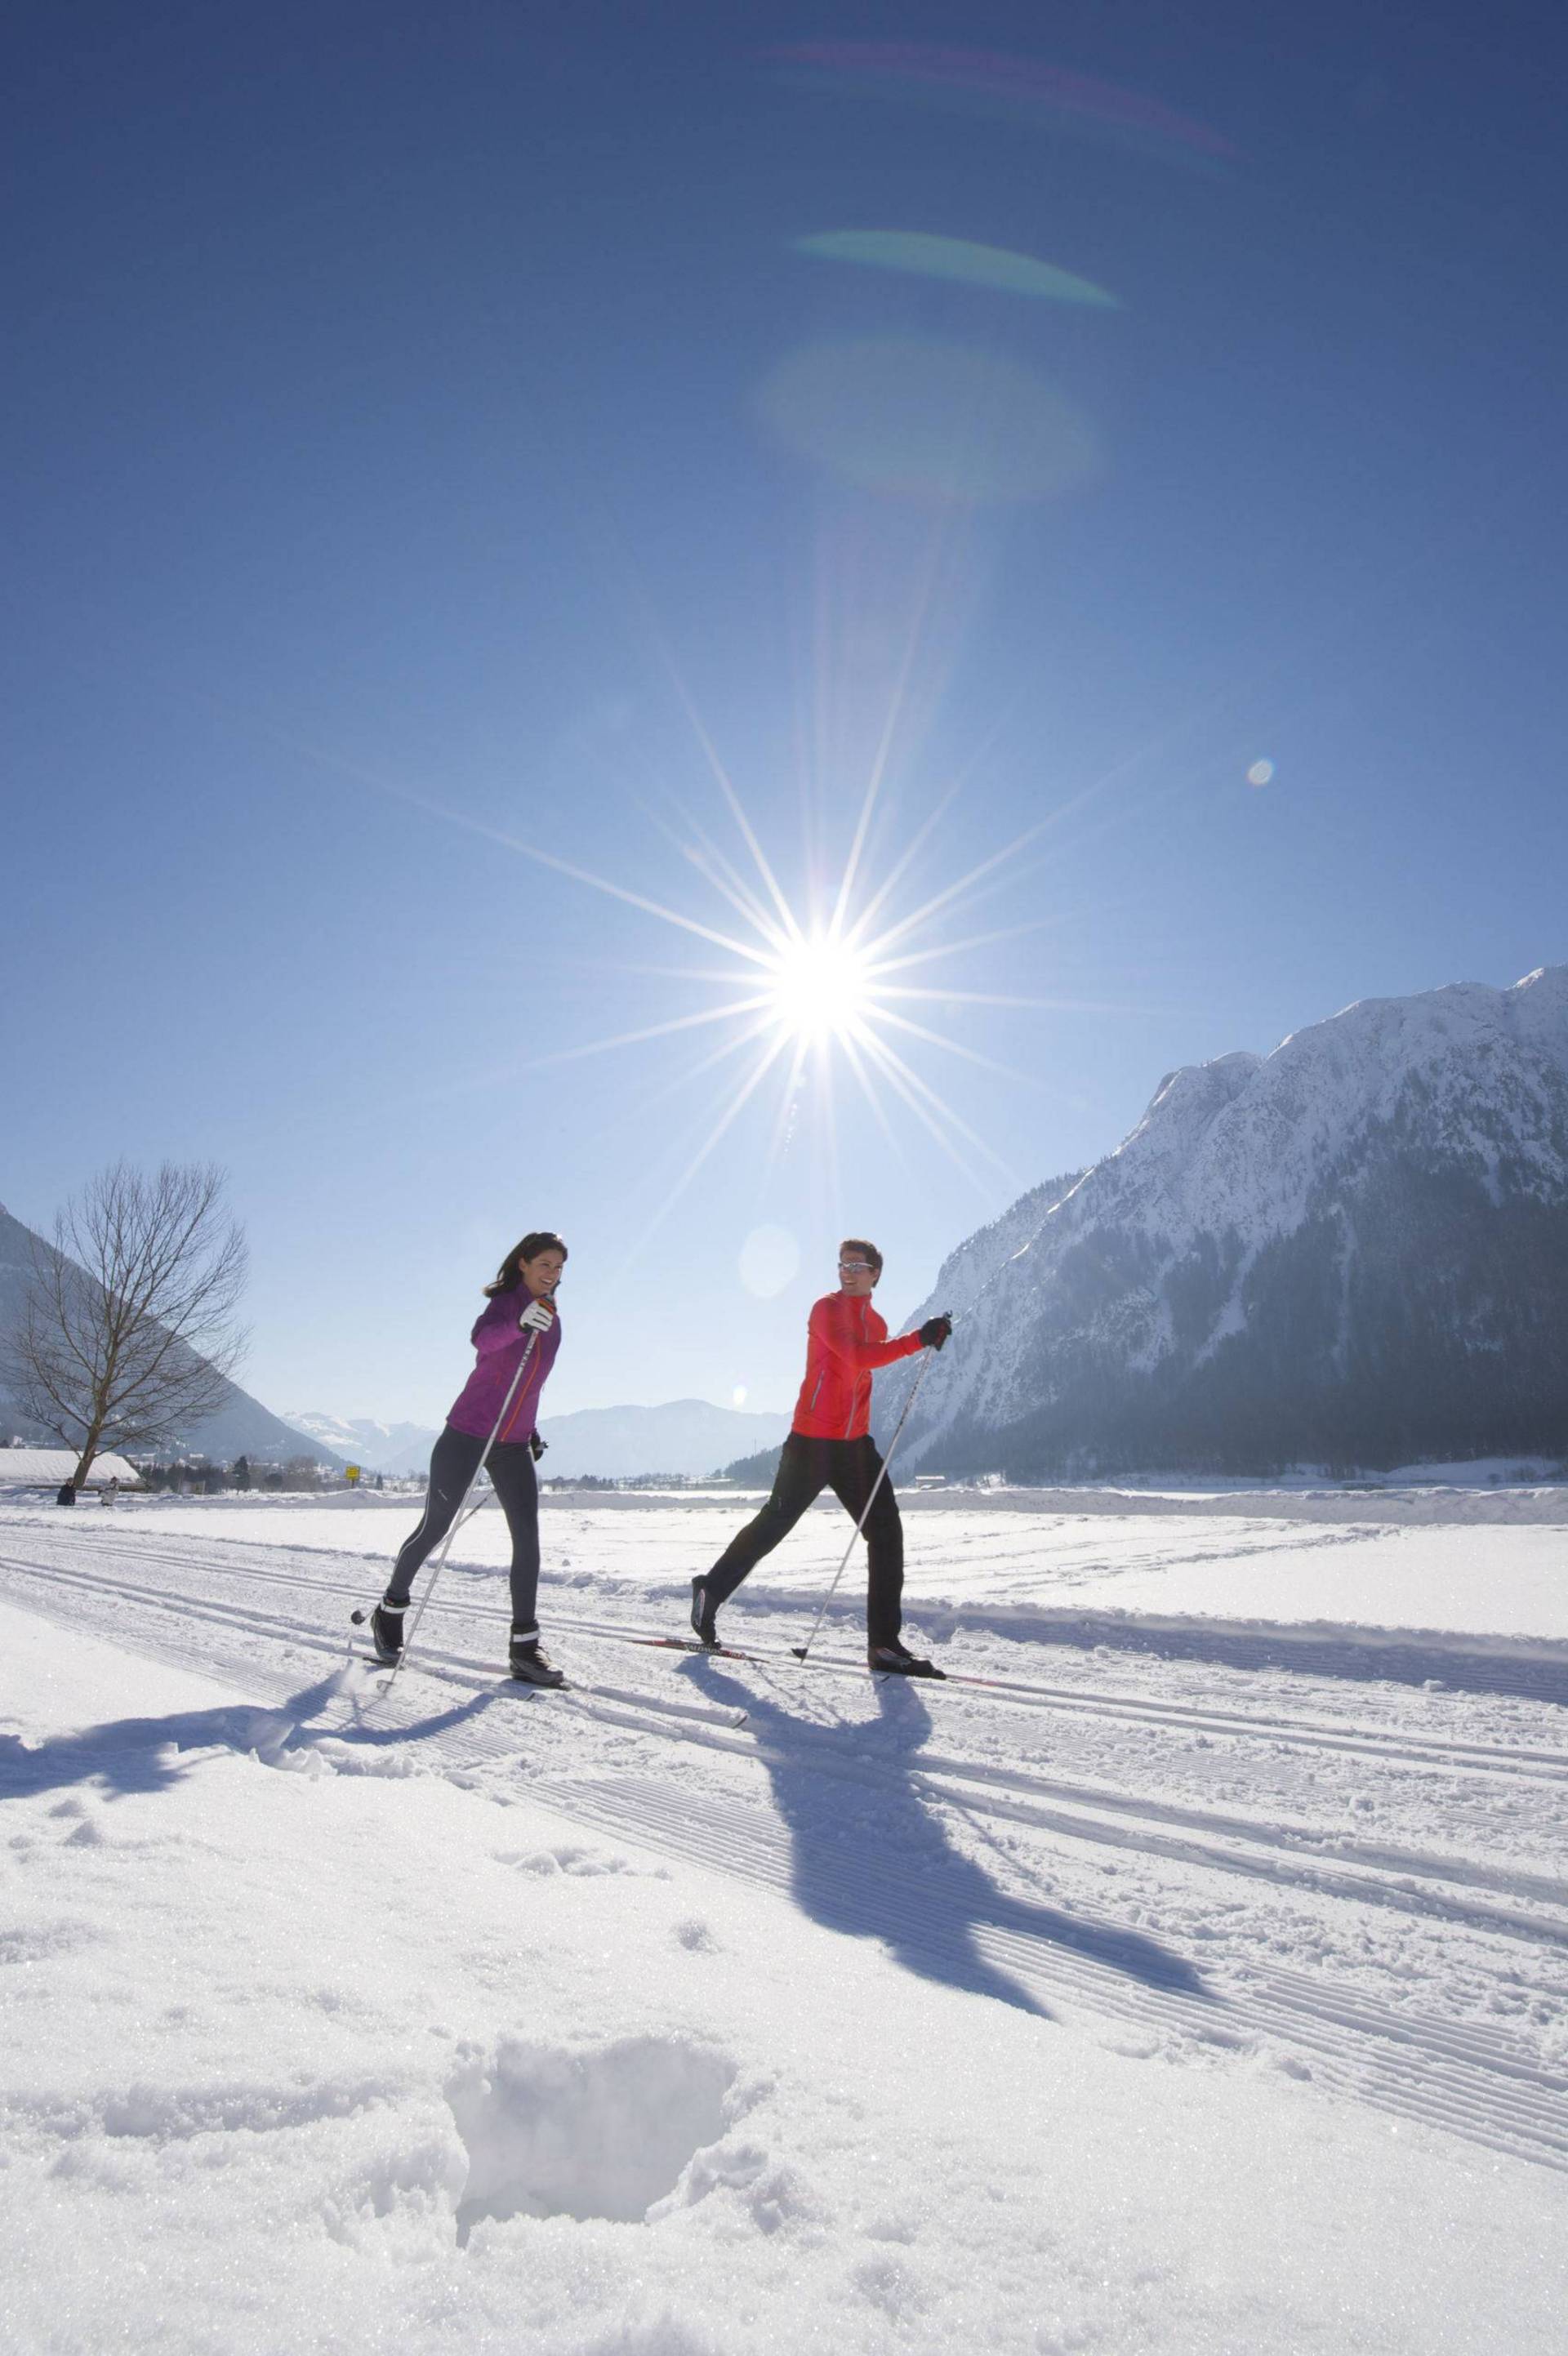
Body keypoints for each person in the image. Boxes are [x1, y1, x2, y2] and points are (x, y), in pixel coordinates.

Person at [690, 1239, 951, 1673]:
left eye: (858, 1265)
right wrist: (916, 1340)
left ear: (875, 1276)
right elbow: (855, 1358)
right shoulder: (825, 1309)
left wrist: (920, 1340)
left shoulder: (878, 1320)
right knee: (774, 1523)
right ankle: (710, 1590)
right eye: (843, 1264)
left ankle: (884, 1645)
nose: (848, 1271)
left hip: (855, 1447)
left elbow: (869, 1365)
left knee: (887, 1534)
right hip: (811, 1442)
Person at [370, 1231, 568, 1686]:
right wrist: (518, 1322)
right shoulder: (508, 1306)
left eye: (558, 1267)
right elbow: (483, 1341)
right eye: (544, 1264)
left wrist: (529, 1428)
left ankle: (525, 1647)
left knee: (528, 1540)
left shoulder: (553, 1320)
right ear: (522, 1263)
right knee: (434, 1528)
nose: (552, 1274)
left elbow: (530, 1382)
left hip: (513, 1442)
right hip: (468, 1434)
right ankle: (390, 1610)